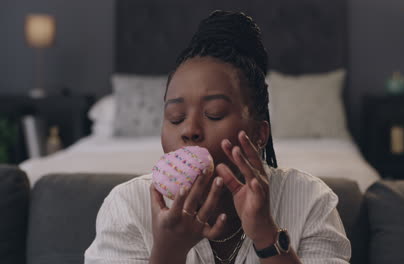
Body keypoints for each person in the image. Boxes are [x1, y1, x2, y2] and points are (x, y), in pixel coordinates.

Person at [85, 10, 351, 264]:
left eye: (214, 113)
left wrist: (265, 234)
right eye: (175, 117)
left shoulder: (310, 201)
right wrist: (168, 253)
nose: (189, 130)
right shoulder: (127, 208)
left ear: (259, 133)